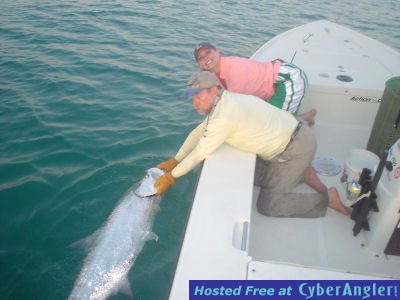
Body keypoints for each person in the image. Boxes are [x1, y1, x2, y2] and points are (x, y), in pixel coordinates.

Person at [154, 71, 350, 217]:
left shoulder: (224, 116)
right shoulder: (225, 102)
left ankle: (327, 199)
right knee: (248, 175)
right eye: (191, 98)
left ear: (214, 90)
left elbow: (199, 154)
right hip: (290, 139)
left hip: (295, 150)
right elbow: (198, 132)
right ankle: (303, 174)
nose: (194, 102)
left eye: (198, 96)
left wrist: (171, 177)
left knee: (268, 207)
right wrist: (175, 159)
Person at [193, 42, 317, 126]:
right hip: (277, 82)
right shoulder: (217, 74)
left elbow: (237, 108)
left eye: (208, 52)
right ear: (199, 64)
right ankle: (306, 118)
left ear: (217, 51)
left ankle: (305, 157)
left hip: (289, 79)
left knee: (277, 125)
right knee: (269, 118)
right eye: (200, 57)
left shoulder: (234, 71)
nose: (205, 58)